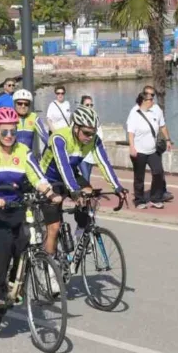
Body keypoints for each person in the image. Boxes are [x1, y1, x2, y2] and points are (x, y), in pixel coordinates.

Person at [0, 107, 60, 307]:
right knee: (4, 239)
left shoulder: (23, 151)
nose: (9, 136)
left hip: (13, 208)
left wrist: (50, 194)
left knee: (26, 239)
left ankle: (14, 282)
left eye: (13, 131)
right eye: (4, 132)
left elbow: (38, 177)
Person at [39, 106, 125, 269]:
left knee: (90, 197)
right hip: (48, 180)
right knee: (54, 227)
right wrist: (73, 191)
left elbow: (104, 163)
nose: (90, 137)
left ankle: (81, 232)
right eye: (86, 133)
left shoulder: (94, 140)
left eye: (93, 133)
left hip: (70, 175)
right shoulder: (60, 138)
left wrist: (117, 187)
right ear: (75, 127)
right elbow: (62, 166)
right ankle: (49, 271)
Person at [126, 88, 169, 209]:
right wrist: (132, 147)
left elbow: (161, 126)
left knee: (158, 172)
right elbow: (131, 133)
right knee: (139, 177)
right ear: (143, 101)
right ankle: (139, 200)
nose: (152, 101)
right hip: (139, 151)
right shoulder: (134, 114)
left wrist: (167, 140)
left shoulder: (153, 113)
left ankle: (155, 198)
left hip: (152, 150)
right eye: (150, 99)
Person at [78, 96, 95, 181]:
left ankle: (81, 192)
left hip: (91, 154)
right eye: (87, 105)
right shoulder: (78, 119)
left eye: (91, 105)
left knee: (87, 178)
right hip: (81, 154)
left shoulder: (95, 119)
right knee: (85, 177)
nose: (89, 107)